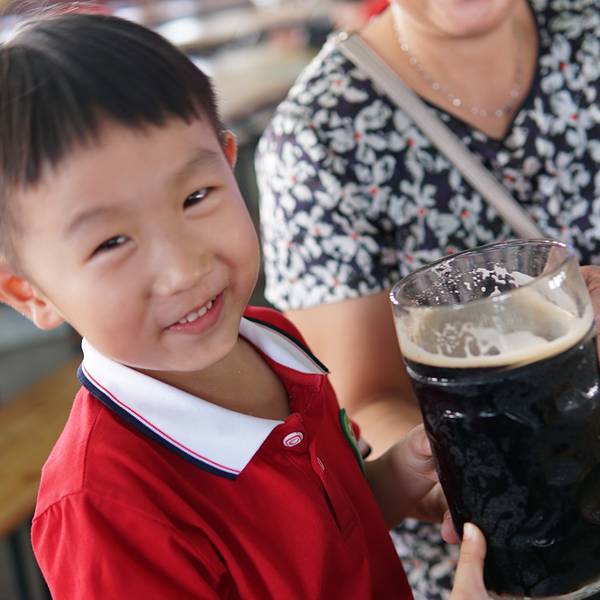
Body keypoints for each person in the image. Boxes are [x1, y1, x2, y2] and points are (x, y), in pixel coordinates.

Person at [0, 12, 492, 600]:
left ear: (229, 162)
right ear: (29, 292)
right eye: (111, 243)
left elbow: (316, 544)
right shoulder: (103, 509)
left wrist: (394, 480)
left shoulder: (271, 342)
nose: (184, 269)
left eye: (195, 196)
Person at [255, 0, 600, 596]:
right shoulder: (319, 135)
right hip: (489, 561)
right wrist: (478, 476)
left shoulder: (587, 31)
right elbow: (364, 397)